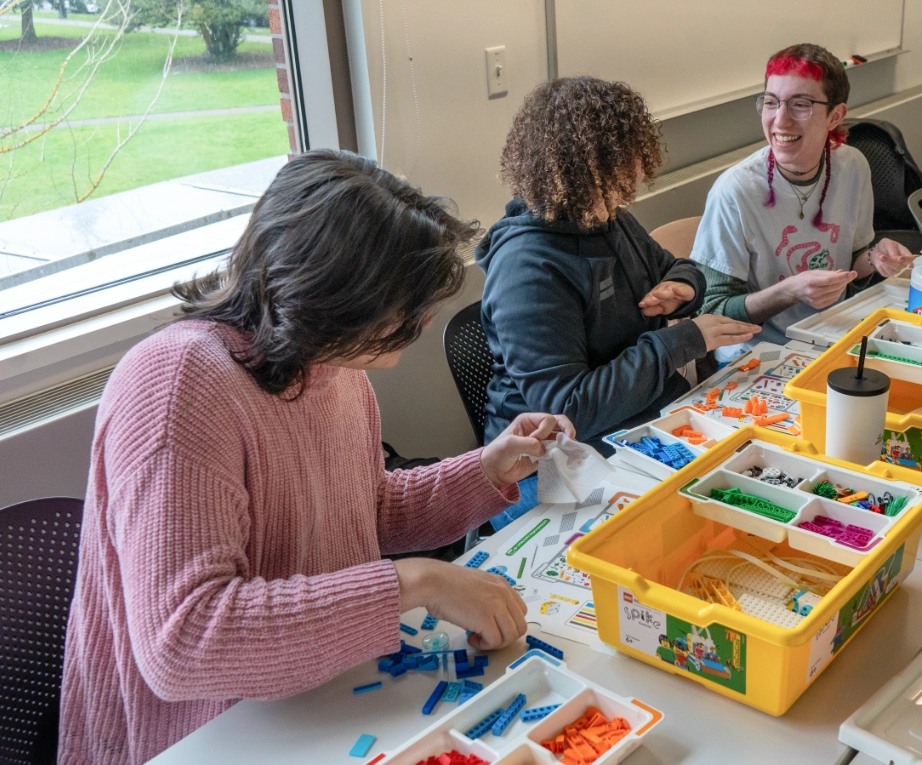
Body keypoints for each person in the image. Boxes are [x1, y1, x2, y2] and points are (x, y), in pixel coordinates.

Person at [58, 151, 571, 765]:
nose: (423, 319)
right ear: (329, 295)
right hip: (200, 734)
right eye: (401, 305)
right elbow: (186, 643)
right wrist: (418, 580)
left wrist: (485, 469)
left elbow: (360, 512)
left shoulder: (330, 364)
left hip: (319, 697)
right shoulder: (178, 384)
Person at [477, 76, 759, 453]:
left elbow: (673, 267)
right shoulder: (526, 272)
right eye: (624, 160)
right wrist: (683, 341)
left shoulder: (606, 219)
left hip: (641, 413)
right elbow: (568, 411)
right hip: (554, 456)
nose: (640, 171)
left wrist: (683, 287)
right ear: (578, 169)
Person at [692, 43, 914, 350]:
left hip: (833, 334)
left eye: (800, 104)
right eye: (771, 103)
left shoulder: (852, 167)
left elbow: (850, 265)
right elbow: (713, 312)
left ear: (835, 116)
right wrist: (790, 292)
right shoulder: (735, 191)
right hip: (761, 353)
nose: (780, 121)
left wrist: (876, 257)